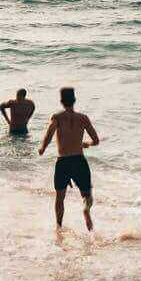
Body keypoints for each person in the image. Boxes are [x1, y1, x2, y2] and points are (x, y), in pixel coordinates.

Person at [38, 86, 99, 231]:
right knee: (87, 195)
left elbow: (49, 134)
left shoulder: (57, 117)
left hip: (63, 162)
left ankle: (59, 227)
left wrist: (42, 148)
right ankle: (86, 209)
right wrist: (85, 144)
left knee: (60, 198)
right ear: (74, 100)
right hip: (79, 160)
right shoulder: (83, 118)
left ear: (61, 101)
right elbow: (96, 140)